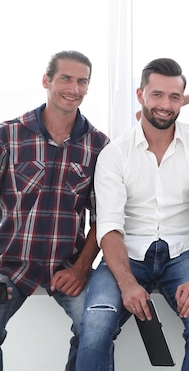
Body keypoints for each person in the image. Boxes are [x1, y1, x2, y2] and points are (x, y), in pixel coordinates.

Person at [76, 58, 189, 371]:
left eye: (174, 97)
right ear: (141, 94)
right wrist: (127, 284)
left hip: (184, 252)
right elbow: (111, 225)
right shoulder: (115, 153)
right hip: (127, 253)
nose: (165, 105)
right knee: (96, 327)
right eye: (157, 95)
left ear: (183, 99)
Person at [0, 50, 109, 371]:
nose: (74, 88)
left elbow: (104, 219)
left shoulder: (99, 146)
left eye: (82, 81)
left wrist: (80, 269)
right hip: (8, 263)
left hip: (68, 266)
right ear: (46, 80)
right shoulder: (9, 135)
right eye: (66, 78)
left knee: (96, 329)